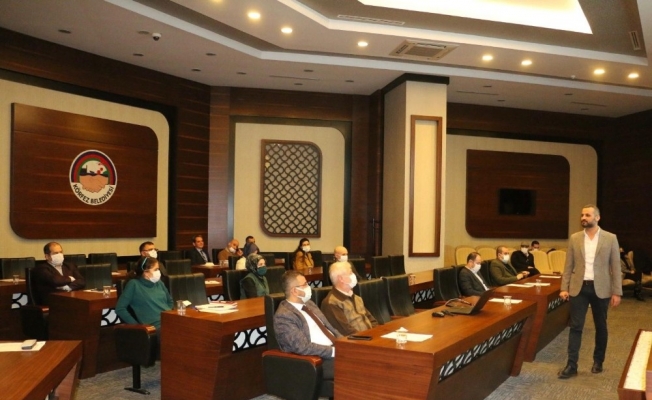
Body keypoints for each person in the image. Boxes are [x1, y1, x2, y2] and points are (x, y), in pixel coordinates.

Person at [558, 204, 622, 379]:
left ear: (597, 217)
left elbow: (616, 266)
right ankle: (571, 365)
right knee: (576, 326)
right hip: (579, 288)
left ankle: (598, 361)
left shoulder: (610, 238)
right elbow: (568, 265)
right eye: (582, 215)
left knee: (600, 326)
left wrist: (617, 292)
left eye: (587, 215)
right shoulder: (575, 238)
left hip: (601, 289)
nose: (583, 218)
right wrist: (564, 287)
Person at [274, 270, 342, 379]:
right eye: (305, 284)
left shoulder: (309, 304)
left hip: (336, 349)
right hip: (320, 359)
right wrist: (334, 351)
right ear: (295, 291)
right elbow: (302, 347)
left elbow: (329, 328)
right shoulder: (284, 316)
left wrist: (345, 343)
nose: (308, 287)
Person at [115, 256, 173, 331]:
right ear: (146, 272)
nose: (159, 272)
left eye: (158, 269)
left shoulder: (159, 283)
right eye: (156, 269)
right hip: (155, 326)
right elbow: (120, 309)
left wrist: (168, 315)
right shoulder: (134, 284)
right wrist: (137, 326)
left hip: (169, 321)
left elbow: (170, 301)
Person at [320, 261, 377, 336]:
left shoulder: (356, 297)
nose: (354, 275)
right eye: (350, 273)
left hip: (371, 336)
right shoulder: (331, 303)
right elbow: (346, 331)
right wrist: (370, 337)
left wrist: (377, 333)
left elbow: (372, 320)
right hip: (357, 340)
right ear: (341, 279)